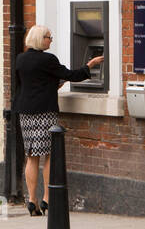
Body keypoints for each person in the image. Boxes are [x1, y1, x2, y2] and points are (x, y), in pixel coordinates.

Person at [13, 25, 103, 216]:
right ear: (40, 39)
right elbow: (71, 75)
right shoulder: (48, 59)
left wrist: (52, 84)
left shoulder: (20, 59)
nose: (51, 40)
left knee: (31, 155)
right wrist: (90, 65)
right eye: (49, 37)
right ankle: (47, 198)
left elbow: (29, 84)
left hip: (25, 112)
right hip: (45, 112)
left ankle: (32, 201)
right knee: (48, 155)